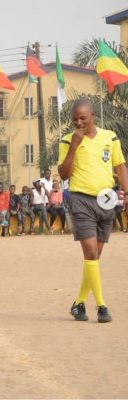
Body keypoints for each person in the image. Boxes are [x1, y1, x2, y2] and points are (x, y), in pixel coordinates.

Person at [58, 98, 128, 323]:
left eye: (83, 118)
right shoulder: (67, 141)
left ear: (92, 117)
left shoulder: (110, 137)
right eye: (75, 119)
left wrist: (127, 193)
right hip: (80, 200)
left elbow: (120, 167)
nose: (78, 123)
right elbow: (63, 174)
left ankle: (78, 303)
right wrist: (74, 147)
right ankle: (101, 307)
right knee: (90, 253)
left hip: (106, 201)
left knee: (94, 258)